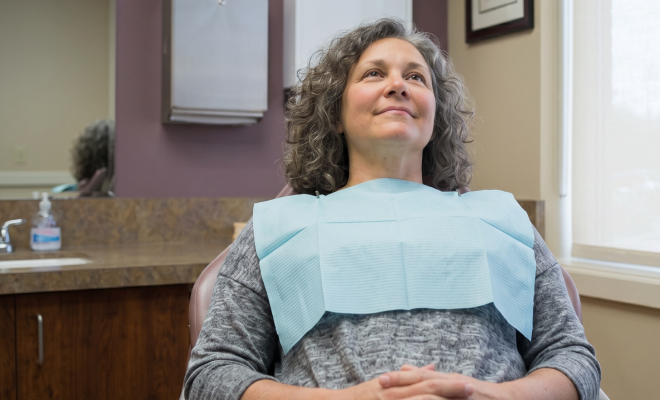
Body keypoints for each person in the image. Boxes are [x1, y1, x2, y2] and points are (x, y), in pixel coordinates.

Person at [184, 19, 600, 400]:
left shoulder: (502, 221)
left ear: (435, 115)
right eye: (374, 73)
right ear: (336, 115)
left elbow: (573, 358)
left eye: (415, 77)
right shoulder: (277, 229)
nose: (398, 85)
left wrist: (489, 394)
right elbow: (213, 373)